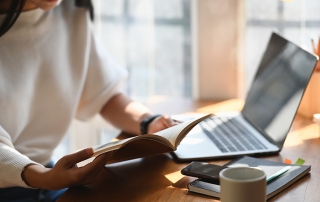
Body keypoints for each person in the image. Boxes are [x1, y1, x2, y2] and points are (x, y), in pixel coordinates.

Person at [0, 0, 180, 201]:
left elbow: (102, 93)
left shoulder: (71, 9)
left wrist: (148, 122)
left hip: (47, 178)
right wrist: (44, 177)